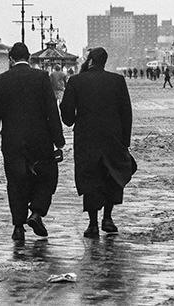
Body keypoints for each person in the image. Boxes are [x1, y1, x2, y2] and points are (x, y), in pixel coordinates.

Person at [0, 43, 65, 241]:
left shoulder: (1, 80)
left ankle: (18, 227)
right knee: (46, 177)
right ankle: (37, 213)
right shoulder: (40, 78)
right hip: (40, 139)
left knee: (16, 182)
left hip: (12, 140)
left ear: (11, 59)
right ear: (29, 58)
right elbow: (51, 111)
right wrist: (58, 139)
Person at [60, 47, 135, 238]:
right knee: (111, 175)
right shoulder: (117, 81)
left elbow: (67, 115)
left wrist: (73, 119)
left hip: (86, 138)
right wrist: (125, 140)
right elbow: (126, 112)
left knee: (90, 177)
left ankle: (92, 224)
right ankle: (108, 219)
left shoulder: (76, 81)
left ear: (90, 61)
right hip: (113, 137)